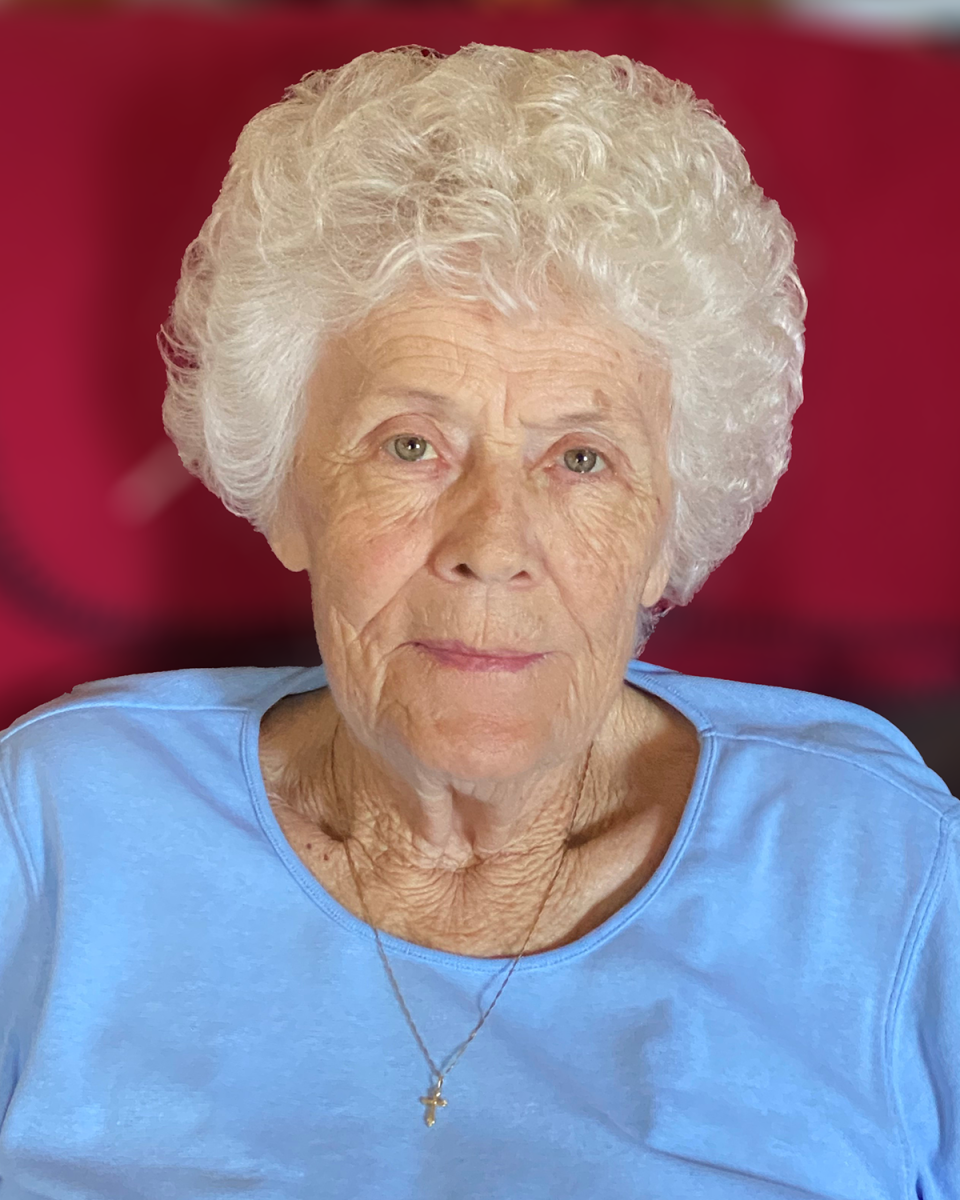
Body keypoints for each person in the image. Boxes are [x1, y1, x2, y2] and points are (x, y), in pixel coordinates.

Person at [0, 43, 956, 1200]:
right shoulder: (59, 826)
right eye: (412, 445)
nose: (492, 541)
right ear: (289, 493)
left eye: (581, 458)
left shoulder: (879, 873)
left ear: (669, 531)